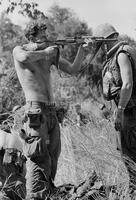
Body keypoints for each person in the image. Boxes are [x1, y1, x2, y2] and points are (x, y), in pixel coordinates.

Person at [12, 20, 88, 200]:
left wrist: (82, 49)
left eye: (46, 36)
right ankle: (35, 196)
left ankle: (47, 194)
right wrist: (45, 52)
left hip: (51, 112)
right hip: (35, 110)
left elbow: (72, 69)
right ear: (31, 37)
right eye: (42, 36)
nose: (46, 39)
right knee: (38, 158)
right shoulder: (19, 49)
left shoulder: (48, 55)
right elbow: (24, 57)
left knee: (53, 156)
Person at [89, 23, 136, 194]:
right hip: (128, 112)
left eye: (98, 41)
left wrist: (120, 111)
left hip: (129, 113)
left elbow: (128, 84)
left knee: (131, 156)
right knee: (128, 154)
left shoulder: (122, 54)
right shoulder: (119, 53)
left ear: (104, 39)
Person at [0, 107, 26, 200]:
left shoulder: (3, 133)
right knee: (17, 181)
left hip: (7, 152)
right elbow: (23, 169)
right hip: (12, 153)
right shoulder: (17, 133)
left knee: (6, 182)